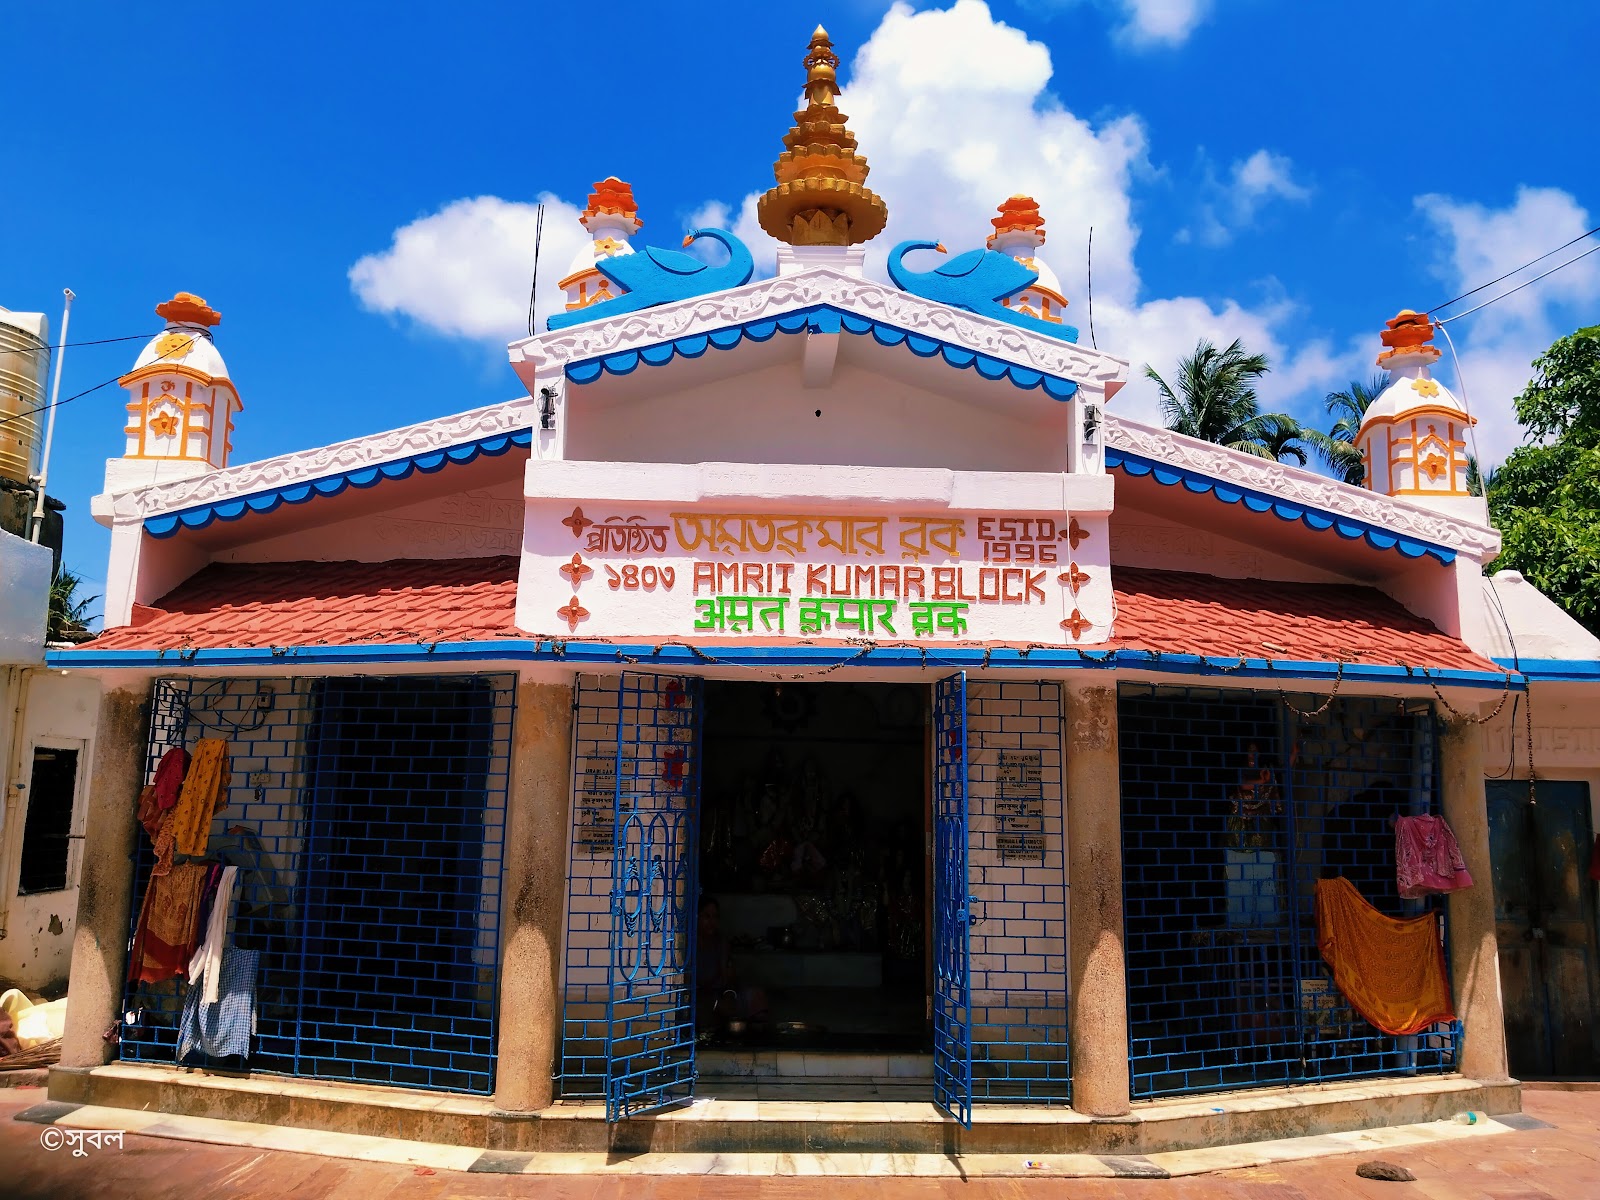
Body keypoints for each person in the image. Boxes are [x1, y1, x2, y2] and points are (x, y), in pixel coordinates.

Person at [695, 896, 766, 1037]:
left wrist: (729, 995)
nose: (711, 922)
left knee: (757, 996)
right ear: (696, 917)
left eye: (715, 917)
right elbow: (687, 984)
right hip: (699, 998)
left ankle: (756, 1039)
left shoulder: (721, 943)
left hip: (720, 994)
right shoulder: (687, 944)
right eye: (706, 916)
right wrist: (715, 1003)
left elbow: (729, 977)